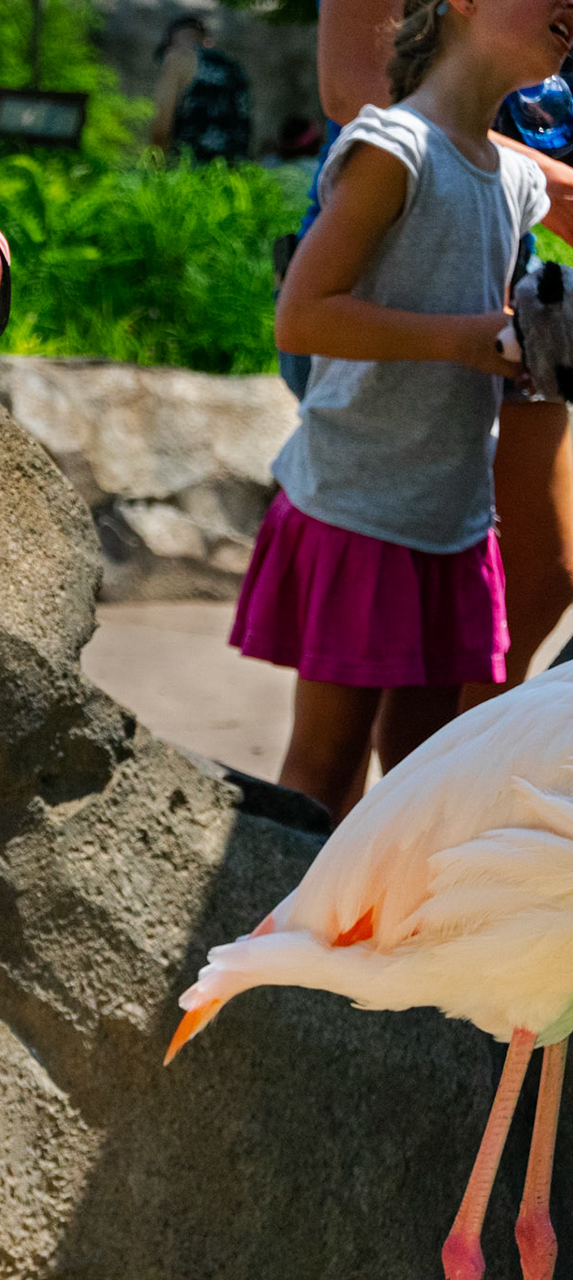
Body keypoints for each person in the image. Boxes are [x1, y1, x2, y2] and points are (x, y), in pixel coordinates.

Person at [234, 0, 555, 821]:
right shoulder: (395, 148)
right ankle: (270, 936)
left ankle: (366, 943)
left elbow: (487, 329)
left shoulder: (518, 181)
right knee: (322, 773)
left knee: (418, 776)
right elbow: (304, 317)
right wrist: (461, 340)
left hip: (450, 519)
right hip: (363, 511)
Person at [150, 17, 253, 162]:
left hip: (190, 171)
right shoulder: (235, 68)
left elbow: (161, 127)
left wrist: (153, 166)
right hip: (234, 173)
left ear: (169, 42)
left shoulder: (177, 59)